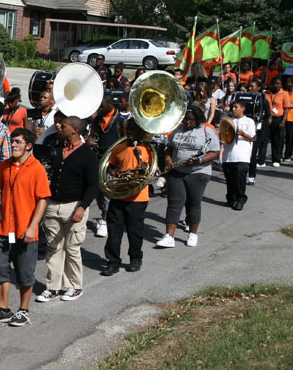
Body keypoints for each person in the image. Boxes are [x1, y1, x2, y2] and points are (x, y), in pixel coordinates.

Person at [0, 128, 50, 326]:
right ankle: (3, 308)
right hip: (3, 229)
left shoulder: (37, 168)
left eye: (18, 142)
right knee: (0, 270)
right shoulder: (5, 165)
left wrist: (32, 227)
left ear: (29, 145)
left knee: (24, 272)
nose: (13, 145)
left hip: (24, 230)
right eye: (12, 142)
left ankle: (23, 309)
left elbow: (42, 200)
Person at [35, 116, 97, 303]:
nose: (60, 127)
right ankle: (52, 287)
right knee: (54, 247)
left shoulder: (87, 154)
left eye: (65, 126)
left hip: (74, 206)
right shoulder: (58, 149)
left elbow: (93, 185)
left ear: (75, 130)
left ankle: (74, 286)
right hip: (54, 205)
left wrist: (82, 207)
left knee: (72, 248)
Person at [155, 105, 219, 248]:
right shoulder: (179, 129)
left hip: (198, 172)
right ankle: (169, 236)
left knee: (193, 203)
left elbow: (215, 152)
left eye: (190, 120)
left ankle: (192, 234)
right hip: (177, 171)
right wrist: (168, 159)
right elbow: (170, 148)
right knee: (174, 202)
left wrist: (199, 160)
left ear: (197, 119)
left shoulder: (206, 130)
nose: (187, 122)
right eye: (185, 120)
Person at [100, 119, 151, 276]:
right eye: (126, 130)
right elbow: (111, 166)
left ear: (140, 132)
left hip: (138, 197)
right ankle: (113, 261)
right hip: (119, 195)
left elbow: (153, 170)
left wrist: (145, 168)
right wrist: (113, 171)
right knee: (114, 230)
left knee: (134, 231)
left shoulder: (147, 149)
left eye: (132, 130)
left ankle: (135, 258)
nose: (128, 133)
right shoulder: (118, 148)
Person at [92, 94, 120, 237]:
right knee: (99, 189)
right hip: (99, 158)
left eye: (102, 106)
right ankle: (105, 214)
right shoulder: (98, 119)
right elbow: (93, 135)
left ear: (110, 104)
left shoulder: (120, 120)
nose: (100, 109)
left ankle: (105, 219)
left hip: (113, 160)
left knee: (108, 190)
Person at [222, 100, 256, 211]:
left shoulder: (249, 121)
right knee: (229, 178)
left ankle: (240, 200)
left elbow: (253, 138)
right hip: (229, 155)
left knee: (239, 178)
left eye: (236, 107)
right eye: (232, 107)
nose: (233, 109)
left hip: (242, 155)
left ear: (243, 108)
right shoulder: (229, 121)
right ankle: (231, 199)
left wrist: (242, 133)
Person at [263, 77, 290, 167]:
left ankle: (276, 159)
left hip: (278, 118)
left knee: (277, 140)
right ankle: (261, 160)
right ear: (272, 84)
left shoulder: (284, 94)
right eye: (275, 84)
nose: (277, 85)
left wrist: (283, 121)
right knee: (265, 139)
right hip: (267, 118)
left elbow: (286, 109)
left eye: (279, 84)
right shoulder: (266, 93)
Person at [284, 77, 293, 161]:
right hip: (287, 118)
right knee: (288, 138)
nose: (289, 84)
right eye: (287, 82)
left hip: (292, 117)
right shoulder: (285, 93)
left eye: (290, 83)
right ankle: (287, 154)